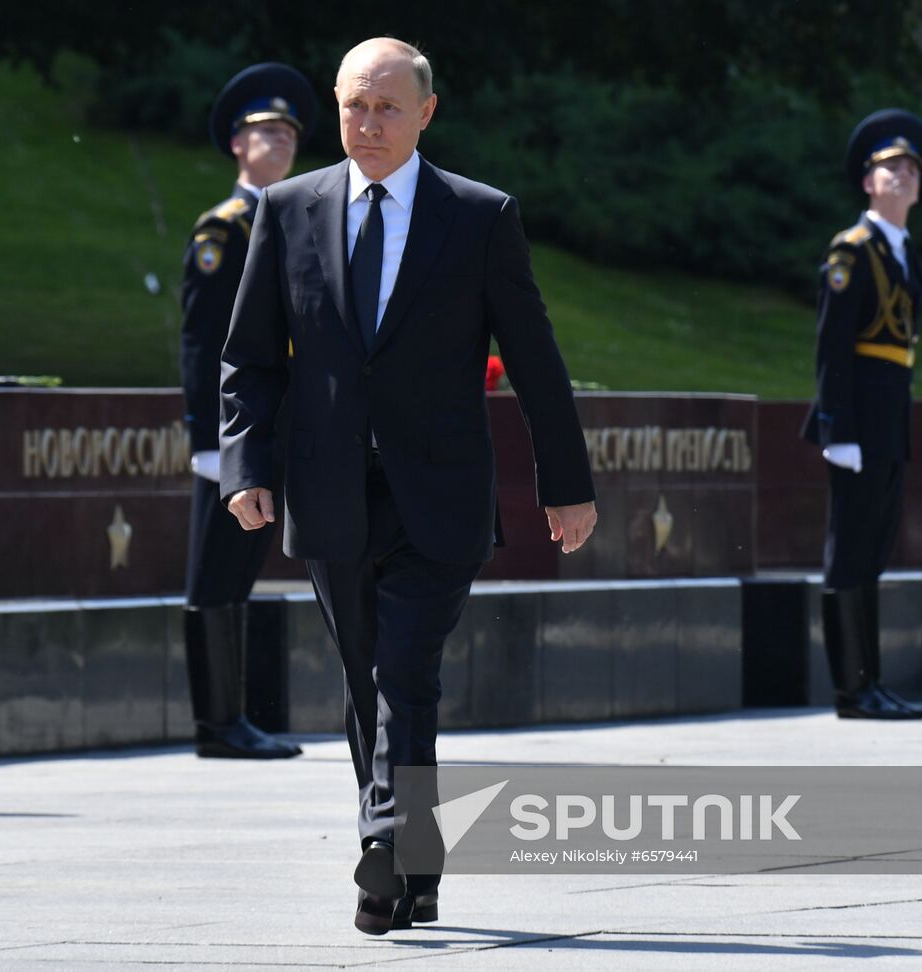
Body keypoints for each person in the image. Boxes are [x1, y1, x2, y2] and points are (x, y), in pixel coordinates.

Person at [219, 38, 597, 933]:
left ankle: (385, 843)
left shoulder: (479, 216)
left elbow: (537, 363)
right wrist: (244, 466)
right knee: (364, 682)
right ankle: (415, 869)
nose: (369, 123)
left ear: (427, 112)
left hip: (441, 493)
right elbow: (249, 360)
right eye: (354, 105)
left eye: (388, 107)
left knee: (405, 670)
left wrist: (566, 485)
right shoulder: (288, 209)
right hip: (329, 491)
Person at [180, 63, 316, 759]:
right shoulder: (224, 230)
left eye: (289, 131)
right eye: (266, 130)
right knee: (216, 573)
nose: (281, 141)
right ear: (237, 143)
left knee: (241, 571)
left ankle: (232, 719)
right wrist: (210, 440)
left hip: (278, 424)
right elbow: (205, 345)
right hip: (233, 436)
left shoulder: (294, 220)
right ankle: (217, 724)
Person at [801, 108, 922, 721]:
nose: (902, 175)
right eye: (889, 167)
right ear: (867, 181)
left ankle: (870, 683)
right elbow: (833, 346)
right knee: (848, 553)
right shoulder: (851, 251)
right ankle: (852, 691)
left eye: (910, 167)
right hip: (856, 431)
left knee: (872, 555)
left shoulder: (903, 251)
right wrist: (836, 429)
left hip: (887, 430)